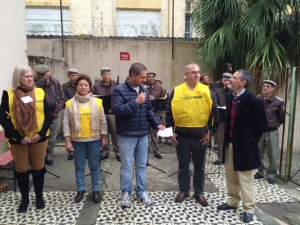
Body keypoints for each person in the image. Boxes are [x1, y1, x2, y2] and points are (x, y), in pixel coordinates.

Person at [217, 69, 267, 223]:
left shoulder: (253, 101)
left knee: (245, 179)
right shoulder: (231, 98)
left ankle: (249, 209)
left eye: (234, 77)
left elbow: (261, 126)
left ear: (243, 82)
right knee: (231, 176)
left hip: (245, 147)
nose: (230, 79)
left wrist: (249, 141)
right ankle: (233, 201)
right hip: (230, 144)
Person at [112, 63, 165, 207]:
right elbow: (117, 111)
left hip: (143, 135)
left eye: (146, 77)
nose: (145, 80)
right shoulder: (119, 91)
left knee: (141, 165)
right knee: (127, 166)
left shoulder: (144, 91)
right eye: (142, 77)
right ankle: (126, 192)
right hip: (126, 136)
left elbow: (149, 112)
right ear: (132, 76)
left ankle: (141, 191)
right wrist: (135, 102)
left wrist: (156, 124)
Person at [0, 65, 52, 213]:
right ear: (18, 78)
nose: (30, 78)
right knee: (22, 170)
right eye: (26, 76)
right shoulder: (8, 94)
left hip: (39, 138)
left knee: (38, 169)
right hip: (18, 139)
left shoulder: (40, 92)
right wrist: (19, 137)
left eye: (31, 76)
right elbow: (3, 119)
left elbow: (48, 115)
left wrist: (40, 134)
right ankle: (25, 199)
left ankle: (39, 197)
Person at [165, 63, 219, 207]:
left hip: (200, 136)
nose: (197, 74)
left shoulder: (207, 91)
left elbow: (215, 114)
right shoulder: (176, 91)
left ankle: (199, 192)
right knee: (183, 165)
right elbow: (169, 113)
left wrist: (210, 133)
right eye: (193, 72)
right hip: (181, 136)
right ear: (185, 75)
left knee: (199, 166)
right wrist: (171, 132)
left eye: (198, 72)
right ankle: (184, 190)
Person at [63, 74, 108, 204]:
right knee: (79, 166)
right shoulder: (69, 104)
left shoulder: (98, 103)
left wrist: (104, 137)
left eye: (86, 85)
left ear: (89, 87)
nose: (83, 87)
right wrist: (67, 140)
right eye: (81, 84)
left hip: (94, 140)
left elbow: (103, 121)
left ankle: (95, 190)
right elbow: (66, 123)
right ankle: (81, 190)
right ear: (76, 86)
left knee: (94, 166)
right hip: (77, 141)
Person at [34, 65, 65, 166]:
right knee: (40, 135)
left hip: (52, 112)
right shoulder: (34, 82)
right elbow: (34, 90)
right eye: (42, 75)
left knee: (52, 137)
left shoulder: (55, 82)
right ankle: (39, 156)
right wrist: (44, 80)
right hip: (39, 113)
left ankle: (49, 156)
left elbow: (61, 97)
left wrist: (56, 110)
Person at [255, 80, 285, 184]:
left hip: (272, 131)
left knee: (272, 154)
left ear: (273, 89)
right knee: (258, 152)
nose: (265, 88)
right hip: (259, 131)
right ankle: (260, 171)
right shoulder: (258, 99)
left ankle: (271, 175)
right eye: (264, 86)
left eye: (268, 86)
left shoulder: (278, 102)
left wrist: (274, 125)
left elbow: (281, 118)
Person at [92, 67, 120, 161]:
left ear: (110, 74)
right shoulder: (96, 86)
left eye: (107, 74)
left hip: (113, 113)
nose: (106, 76)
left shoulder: (116, 84)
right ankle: (105, 152)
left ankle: (118, 152)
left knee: (115, 133)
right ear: (101, 75)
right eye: (104, 74)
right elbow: (93, 98)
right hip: (101, 113)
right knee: (105, 133)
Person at [213, 72, 232, 165]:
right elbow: (215, 102)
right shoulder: (218, 91)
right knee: (219, 138)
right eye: (225, 80)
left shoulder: (233, 91)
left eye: (229, 80)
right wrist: (219, 107)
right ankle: (220, 157)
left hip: (231, 119)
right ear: (222, 80)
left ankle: (229, 158)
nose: (227, 82)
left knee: (230, 138)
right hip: (221, 118)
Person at [146, 72, 165, 159]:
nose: (151, 78)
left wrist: (155, 99)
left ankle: (156, 151)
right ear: (146, 78)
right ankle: (144, 151)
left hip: (155, 113)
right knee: (144, 133)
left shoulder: (159, 88)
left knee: (154, 133)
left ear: (155, 78)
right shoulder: (142, 86)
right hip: (144, 113)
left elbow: (163, 101)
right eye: (149, 77)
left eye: (152, 77)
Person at [62, 68, 79, 160]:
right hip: (69, 110)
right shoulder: (64, 86)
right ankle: (71, 151)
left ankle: (79, 150)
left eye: (76, 75)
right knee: (70, 130)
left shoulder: (81, 84)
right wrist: (73, 103)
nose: (74, 77)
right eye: (72, 75)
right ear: (68, 76)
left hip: (80, 111)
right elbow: (63, 98)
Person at [155, 79, 172, 145]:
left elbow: (168, 101)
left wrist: (167, 109)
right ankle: (160, 138)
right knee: (158, 125)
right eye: (156, 83)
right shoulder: (153, 92)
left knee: (166, 124)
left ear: (161, 84)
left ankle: (167, 139)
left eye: (159, 83)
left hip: (164, 111)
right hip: (156, 111)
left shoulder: (165, 91)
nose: (158, 84)